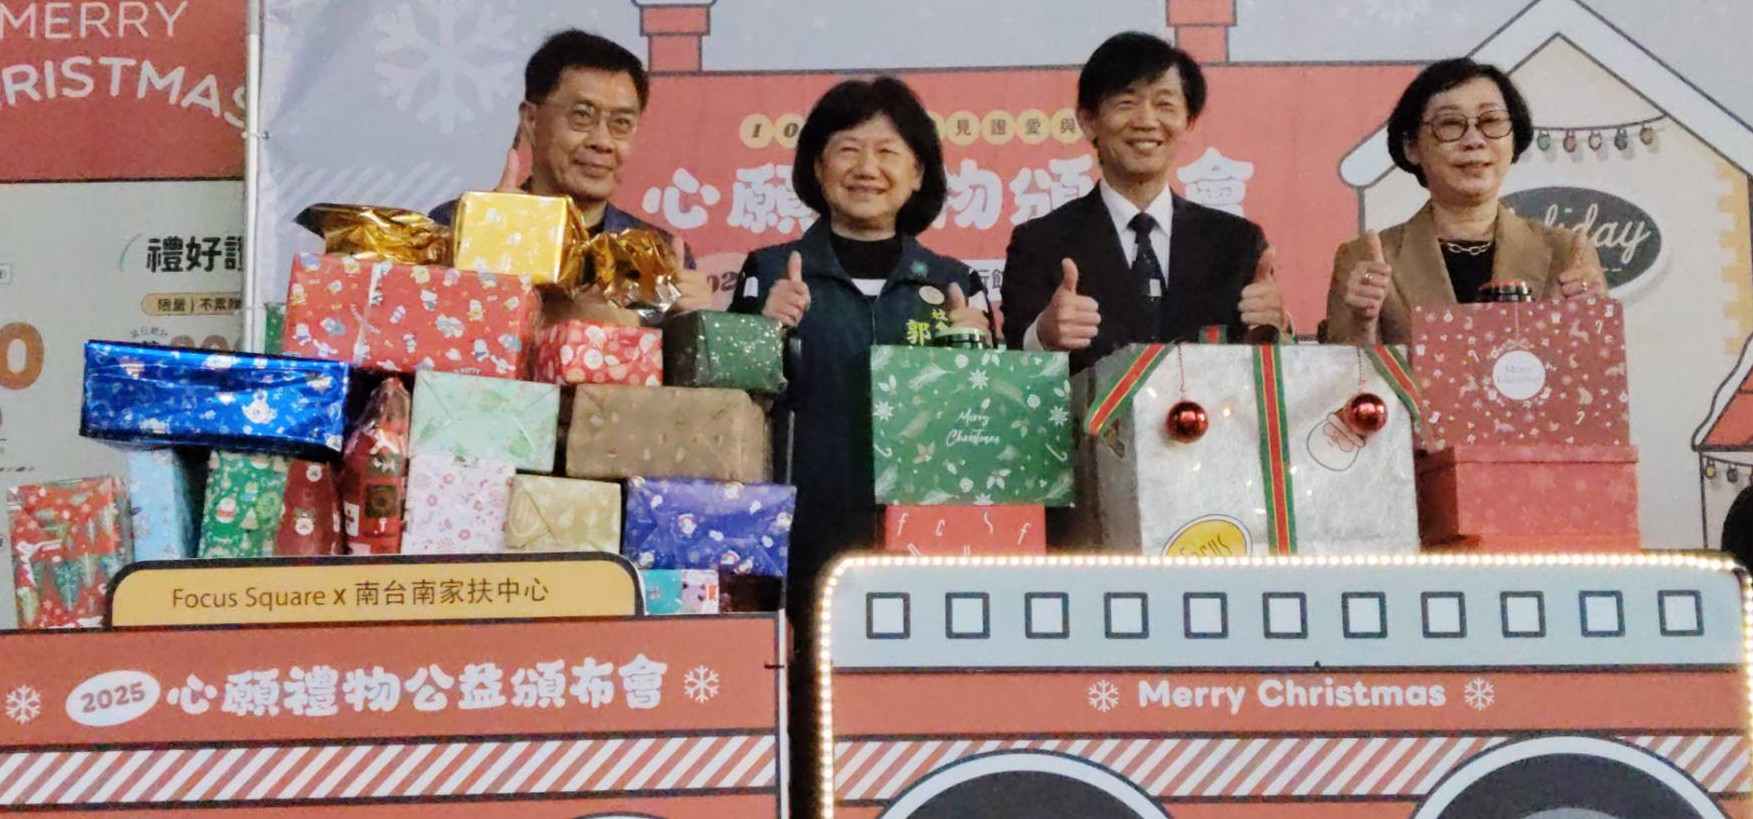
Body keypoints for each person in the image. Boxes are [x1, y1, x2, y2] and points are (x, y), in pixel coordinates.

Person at [726, 75, 992, 812]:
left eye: (887, 151)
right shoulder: (768, 271)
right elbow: (724, 409)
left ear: (918, 172)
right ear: (817, 167)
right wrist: (763, 332)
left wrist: (980, 357)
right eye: (847, 149)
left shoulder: (955, 285)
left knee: (918, 722)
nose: (866, 168)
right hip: (801, 544)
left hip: (926, 554)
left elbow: (989, 432)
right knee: (801, 725)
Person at [1001, 31, 1288, 374]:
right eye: (1126, 103)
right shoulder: (1039, 243)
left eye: (1165, 105)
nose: (1146, 121)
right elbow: (1012, 370)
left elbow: (1264, 373)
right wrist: (1044, 338)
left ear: (1188, 122)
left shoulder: (1237, 244)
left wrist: (1273, 328)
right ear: (1088, 122)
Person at [1326, 57, 1606, 344]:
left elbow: (1592, 365)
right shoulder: (1366, 259)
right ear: (1411, 146)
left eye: (1491, 121)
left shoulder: (1567, 253)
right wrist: (1362, 324)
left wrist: (1594, 323)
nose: (1474, 140)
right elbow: (1341, 371)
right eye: (1450, 124)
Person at [432, 29, 710, 310]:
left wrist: (692, 324)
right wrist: (485, 240)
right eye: (582, 116)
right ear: (531, 120)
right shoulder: (458, 227)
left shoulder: (662, 255)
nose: (602, 142)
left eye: (621, 123)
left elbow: (678, 335)